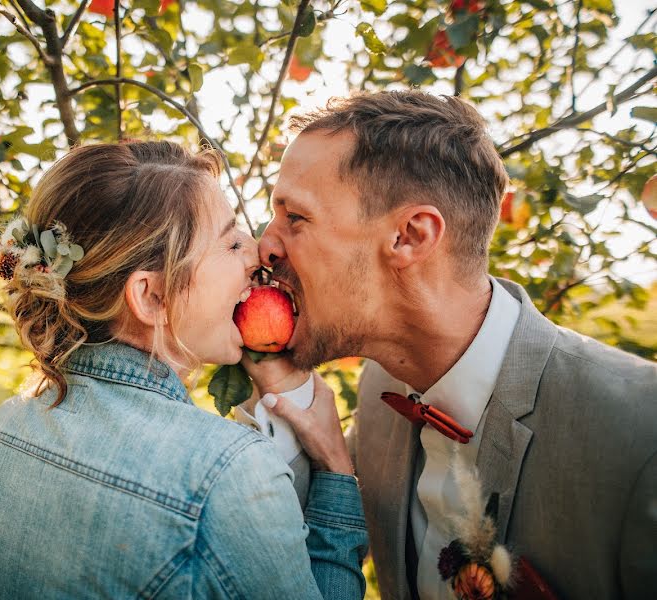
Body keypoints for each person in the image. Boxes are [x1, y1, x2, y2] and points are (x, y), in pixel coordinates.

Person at [249, 91, 657, 599]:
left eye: (296, 218)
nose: (263, 246)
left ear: (411, 237)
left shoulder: (641, 434)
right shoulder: (380, 396)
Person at [0, 140, 368, 599]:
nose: (257, 253)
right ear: (151, 297)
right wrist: (335, 470)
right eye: (231, 242)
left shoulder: (4, 428)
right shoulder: (223, 473)